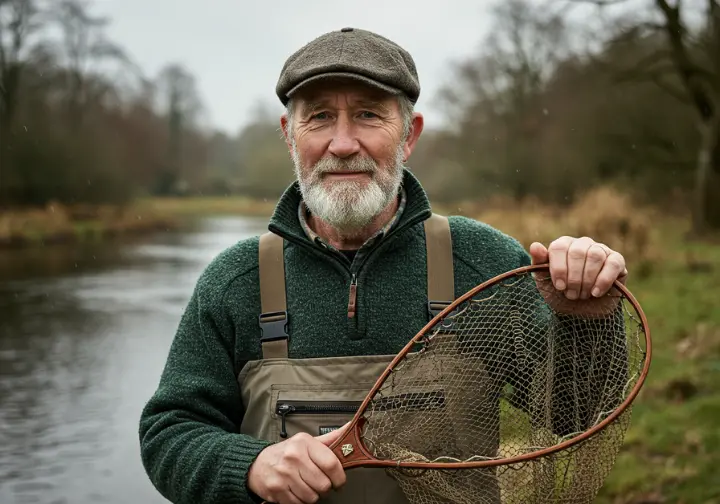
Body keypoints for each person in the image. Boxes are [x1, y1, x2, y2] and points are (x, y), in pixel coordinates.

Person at [138, 27, 629, 504]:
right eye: (321, 117)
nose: (344, 143)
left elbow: (578, 414)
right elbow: (170, 433)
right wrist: (248, 466)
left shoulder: (485, 264)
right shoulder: (236, 280)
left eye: (369, 115)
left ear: (409, 135)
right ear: (290, 136)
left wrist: (583, 320)